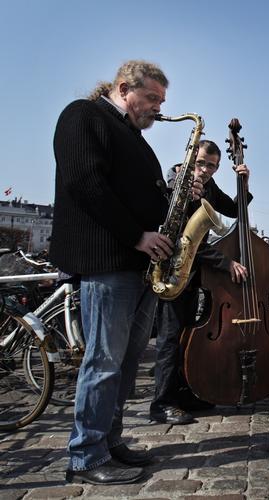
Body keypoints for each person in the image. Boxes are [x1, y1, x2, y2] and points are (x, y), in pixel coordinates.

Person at [51, 60, 174, 485]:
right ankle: (85, 455)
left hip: (136, 265)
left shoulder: (134, 137)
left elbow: (146, 199)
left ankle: (109, 441)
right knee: (103, 361)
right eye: (152, 98)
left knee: (124, 362)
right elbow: (85, 182)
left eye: (161, 101)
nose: (158, 108)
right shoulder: (82, 115)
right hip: (107, 261)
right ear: (124, 88)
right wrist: (137, 236)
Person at [149, 140, 249, 426]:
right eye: (203, 163)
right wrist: (226, 262)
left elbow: (233, 210)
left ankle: (181, 394)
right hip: (172, 270)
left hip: (192, 275)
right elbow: (184, 241)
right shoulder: (173, 186)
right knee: (169, 340)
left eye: (213, 167)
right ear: (191, 157)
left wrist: (244, 183)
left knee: (184, 337)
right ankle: (162, 403)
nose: (206, 171)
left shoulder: (208, 185)